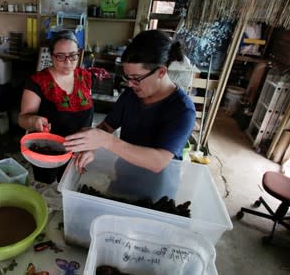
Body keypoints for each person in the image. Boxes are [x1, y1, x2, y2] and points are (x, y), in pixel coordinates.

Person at [64, 30, 196, 175]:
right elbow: (107, 127)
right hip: (124, 173)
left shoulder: (183, 110)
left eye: (136, 78)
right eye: (128, 78)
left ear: (161, 72)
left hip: (158, 188)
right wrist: (91, 145)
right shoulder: (131, 95)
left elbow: (158, 162)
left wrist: (107, 141)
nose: (130, 84)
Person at [18, 30, 94, 183]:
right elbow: (22, 118)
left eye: (73, 55)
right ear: (51, 56)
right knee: (47, 183)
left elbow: (87, 112)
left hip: (77, 150)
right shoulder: (38, 81)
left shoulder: (84, 77)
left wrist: (88, 144)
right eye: (60, 56)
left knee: (68, 183)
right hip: (47, 150)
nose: (68, 61)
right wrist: (33, 121)